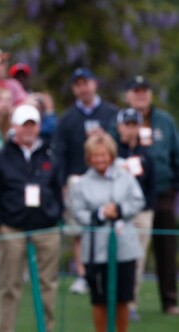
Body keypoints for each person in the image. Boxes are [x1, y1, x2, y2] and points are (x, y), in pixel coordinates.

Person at [70, 132, 144, 332]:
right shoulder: (82, 183)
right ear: (89, 158)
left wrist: (119, 210)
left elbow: (137, 201)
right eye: (95, 156)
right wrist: (101, 213)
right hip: (96, 248)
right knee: (99, 298)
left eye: (104, 155)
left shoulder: (125, 177)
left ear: (111, 155)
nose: (100, 159)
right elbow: (78, 211)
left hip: (124, 246)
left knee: (123, 297)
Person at [0, 105, 64, 332]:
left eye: (33, 124)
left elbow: (57, 189)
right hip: (12, 227)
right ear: (14, 127)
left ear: (38, 126)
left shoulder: (49, 153)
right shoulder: (4, 156)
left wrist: (57, 214)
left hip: (46, 227)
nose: (29, 130)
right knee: (9, 284)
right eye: (24, 124)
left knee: (48, 285)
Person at [53, 67, 118, 296]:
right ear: (74, 89)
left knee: (106, 227)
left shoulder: (111, 113)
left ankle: (104, 272)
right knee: (79, 229)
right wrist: (60, 181)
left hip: (106, 180)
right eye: (78, 84)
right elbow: (59, 152)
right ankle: (83, 275)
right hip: (77, 180)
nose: (83, 88)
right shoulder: (68, 118)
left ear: (95, 84)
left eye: (86, 83)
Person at [125, 75, 179, 316]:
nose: (141, 95)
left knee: (166, 247)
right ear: (128, 95)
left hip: (162, 192)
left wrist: (175, 184)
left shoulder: (164, 121)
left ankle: (169, 301)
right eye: (136, 91)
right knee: (132, 249)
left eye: (144, 90)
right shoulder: (122, 120)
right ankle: (128, 302)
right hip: (130, 195)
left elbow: (178, 153)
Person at [114, 108, 156, 322]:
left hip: (141, 212)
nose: (131, 129)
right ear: (119, 126)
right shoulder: (112, 151)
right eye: (127, 124)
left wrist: (147, 207)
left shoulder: (146, 153)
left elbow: (152, 184)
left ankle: (130, 303)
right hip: (118, 213)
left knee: (137, 260)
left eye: (134, 124)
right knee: (115, 257)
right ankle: (113, 300)